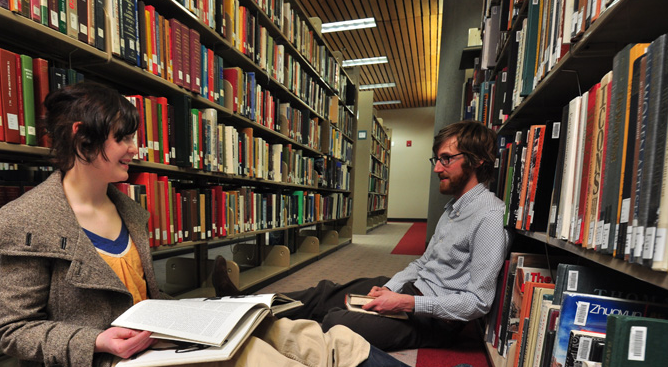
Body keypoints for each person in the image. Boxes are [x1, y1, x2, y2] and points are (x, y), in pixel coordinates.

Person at [0, 82, 495, 367]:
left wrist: (199, 317)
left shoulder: (129, 210)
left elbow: (143, 297)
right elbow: (12, 331)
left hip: (145, 344)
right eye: (123, 138)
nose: (134, 149)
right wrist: (98, 338)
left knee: (273, 321)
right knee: (237, 359)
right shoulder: (26, 221)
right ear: (82, 139)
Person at [214, 120, 508, 352]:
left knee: (335, 322)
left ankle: (247, 328)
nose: (437, 168)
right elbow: (422, 264)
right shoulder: (453, 208)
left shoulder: (489, 217)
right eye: (436, 159)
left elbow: (478, 303)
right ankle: (241, 305)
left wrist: (404, 303)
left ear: (477, 160)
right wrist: (391, 288)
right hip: (409, 292)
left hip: (433, 319)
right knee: (325, 293)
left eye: (446, 159)